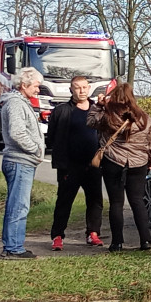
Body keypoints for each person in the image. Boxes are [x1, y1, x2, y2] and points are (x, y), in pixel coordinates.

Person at [88, 83, 151, 253]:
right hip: (138, 163)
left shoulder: (107, 116)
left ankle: (117, 243)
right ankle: (145, 240)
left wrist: (98, 105)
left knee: (116, 203)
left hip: (113, 162)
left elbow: (90, 121)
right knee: (137, 201)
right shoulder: (144, 118)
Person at [46, 76, 104, 250]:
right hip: (69, 165)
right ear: (71, 89)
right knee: (64, 201)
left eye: (85, 87)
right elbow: (52, 137)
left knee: (95, 200)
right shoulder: (61, 111)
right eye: (77, 88)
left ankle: (93, 233)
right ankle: (57, 236)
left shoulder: (98, 109)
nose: (82, 91)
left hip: (93, 164)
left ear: (89, 88)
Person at [0, 67, 46, 259]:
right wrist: (35, 149)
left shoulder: (20, 102)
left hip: (22, 161)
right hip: (19, 161)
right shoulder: (16, 104)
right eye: (36, 86)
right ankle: (13, 247)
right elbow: (17, 133)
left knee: (18, 204)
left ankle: (12, 245)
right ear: (24, 85)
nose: (38, 90)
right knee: (19, 205)